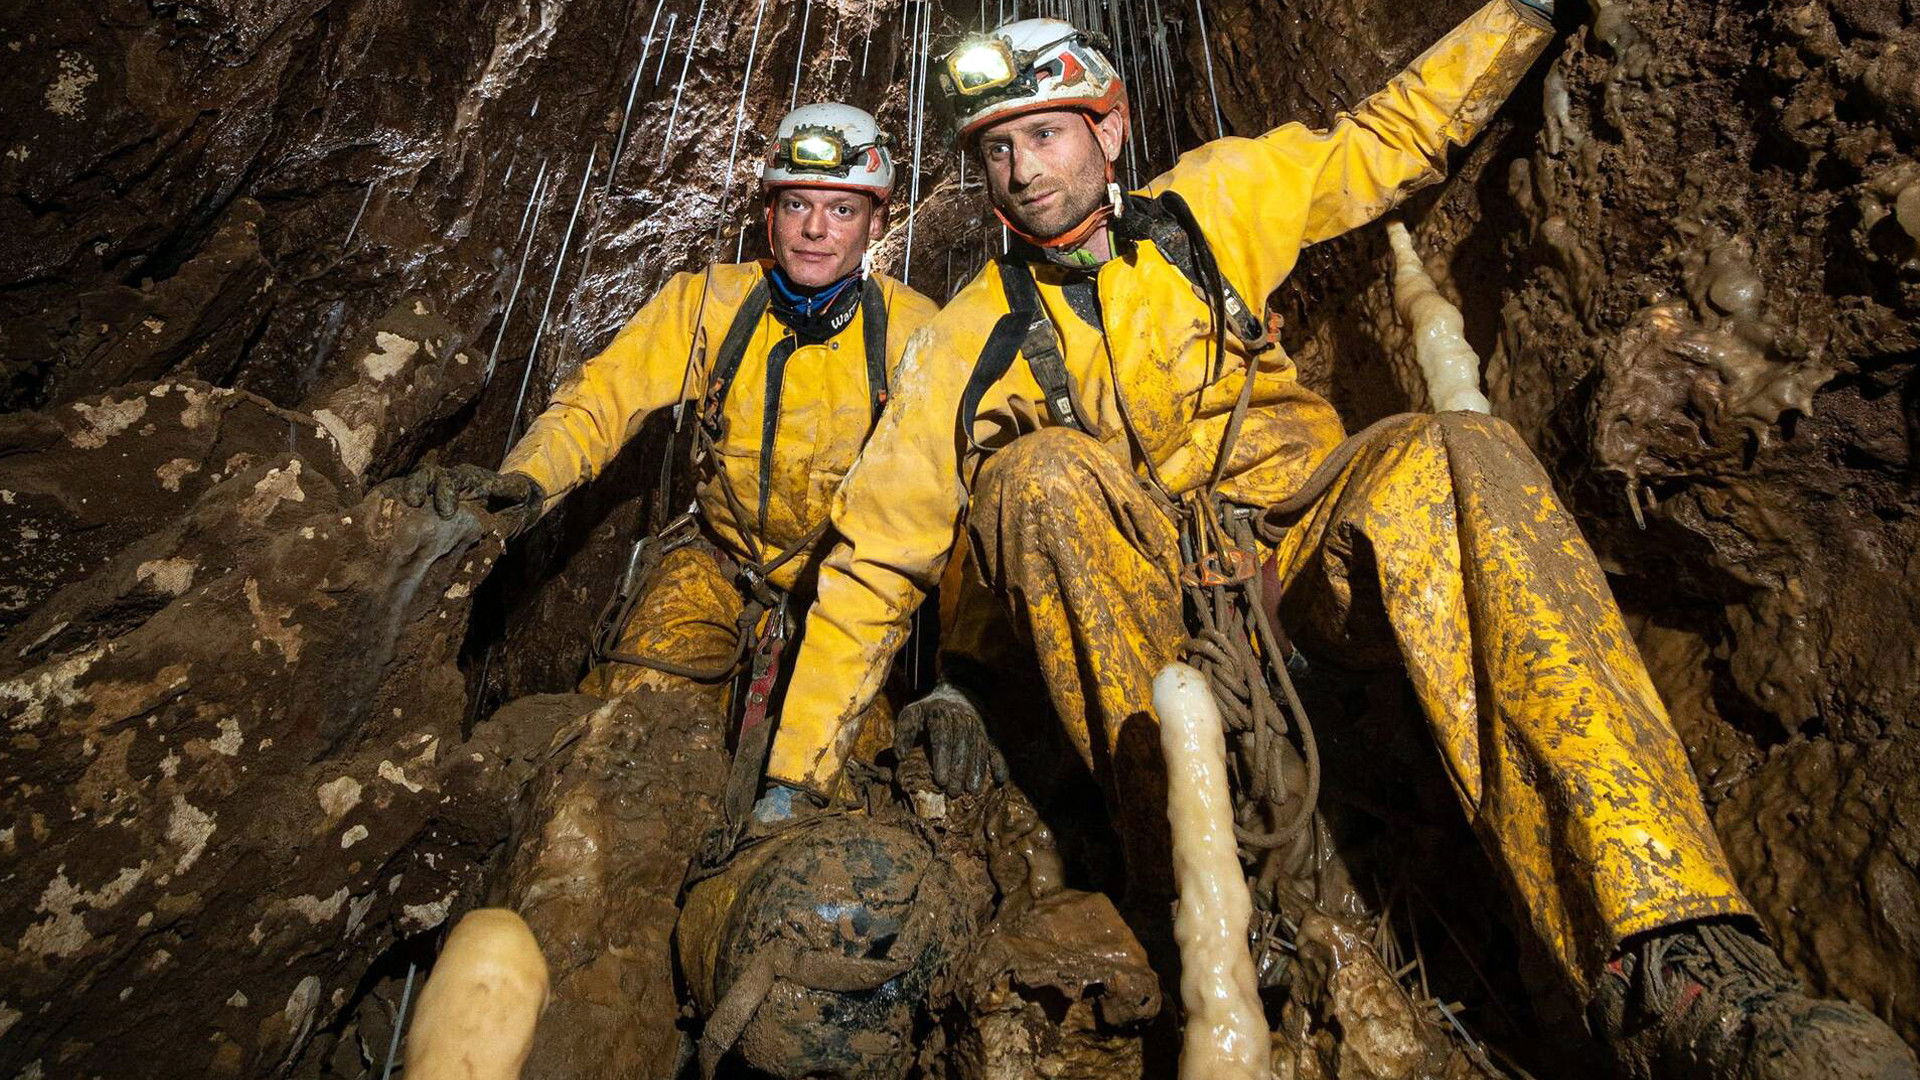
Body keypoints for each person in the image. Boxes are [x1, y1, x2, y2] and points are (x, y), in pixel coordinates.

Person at [747, 8, 1919, 1079]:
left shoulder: (1217, 202)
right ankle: (1214, 910)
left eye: (1045, 134)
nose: (1023, 168)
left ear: (1108, 129)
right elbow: (877, 554)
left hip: (1306, 552)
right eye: (998, 148)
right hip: (1151, 621)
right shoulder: (969, 337)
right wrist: (793, 780)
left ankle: (1674, 954)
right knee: (1034, 477)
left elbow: (1386, 137)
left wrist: (1523, 16)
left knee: (1456, 452)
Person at [396, 103, 936, 771]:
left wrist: (964, 680)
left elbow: (956, 508)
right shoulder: (708, 301)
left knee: (844, 778)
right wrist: (528, 480)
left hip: (850, 592)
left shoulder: (918, 335)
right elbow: (602, 397)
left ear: (877, 223)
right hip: (718, 565)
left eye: (843, 210)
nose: (815, 230)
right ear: (769, 213)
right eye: (796, 204)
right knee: (626, 741)